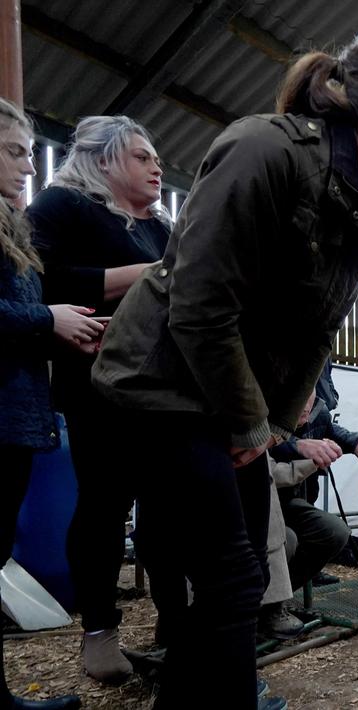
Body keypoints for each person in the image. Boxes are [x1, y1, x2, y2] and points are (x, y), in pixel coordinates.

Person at [90, 14, 358, 709]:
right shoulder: (264, 151)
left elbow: (318, 325)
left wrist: (277, 410)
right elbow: (201, 307)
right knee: (234, 578)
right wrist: (250, 427)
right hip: (158, 387)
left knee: (236, 580)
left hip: (216, 401)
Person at [27, 115, 171, 684]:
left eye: (156, 158)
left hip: (165, 389)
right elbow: (36, 277)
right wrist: (141, 275)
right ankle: (99, 633)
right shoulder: (62, 206)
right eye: (142, 156)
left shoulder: (163, 229)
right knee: (104, 506)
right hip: (98, 386)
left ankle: (173, 619)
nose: (157, 165)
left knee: (168, 507)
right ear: (104, 160)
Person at [0, 96, 90, 710]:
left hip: (15, 416)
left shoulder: (12, 225)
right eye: (12, 151)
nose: (28, 166)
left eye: (29, 152)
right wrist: (45, 319)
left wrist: (58, 321)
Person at [265, 364, 358, 634]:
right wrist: (297, 446)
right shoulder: (264, 412)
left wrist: (357, 442)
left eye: (310, 397)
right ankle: (263, 606)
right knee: (285, 539)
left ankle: (273, 602)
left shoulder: (318, 408)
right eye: (298, 399)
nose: (305, 409)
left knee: (334, 531)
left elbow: (329, 428)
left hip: (290, 500)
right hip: (263, 497)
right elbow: (258, 443)